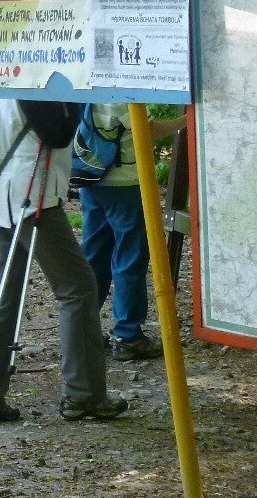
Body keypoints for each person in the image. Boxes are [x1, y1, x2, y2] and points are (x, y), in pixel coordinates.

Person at [0, 98, 128, 425]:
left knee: (1, 297)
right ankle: (85, 395)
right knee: (79, 288)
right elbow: (59, 131)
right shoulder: (34, 79)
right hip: (29, 196)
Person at [76, 105, 187, 362]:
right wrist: (186, 120)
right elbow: (146, 130)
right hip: (125, 183)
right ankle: (128, 336)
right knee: (130, 257)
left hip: (90, 179)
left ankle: (83, 331)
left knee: (95, 256)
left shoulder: (85, 86)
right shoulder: (122, 91)